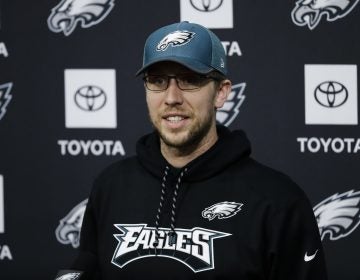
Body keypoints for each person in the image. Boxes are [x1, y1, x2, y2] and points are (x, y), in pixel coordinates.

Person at [59, 21, 328, 280]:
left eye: (189, 80)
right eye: (158, 80)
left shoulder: (278, 201)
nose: (172, 97)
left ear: (221, 93)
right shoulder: (111, 186)